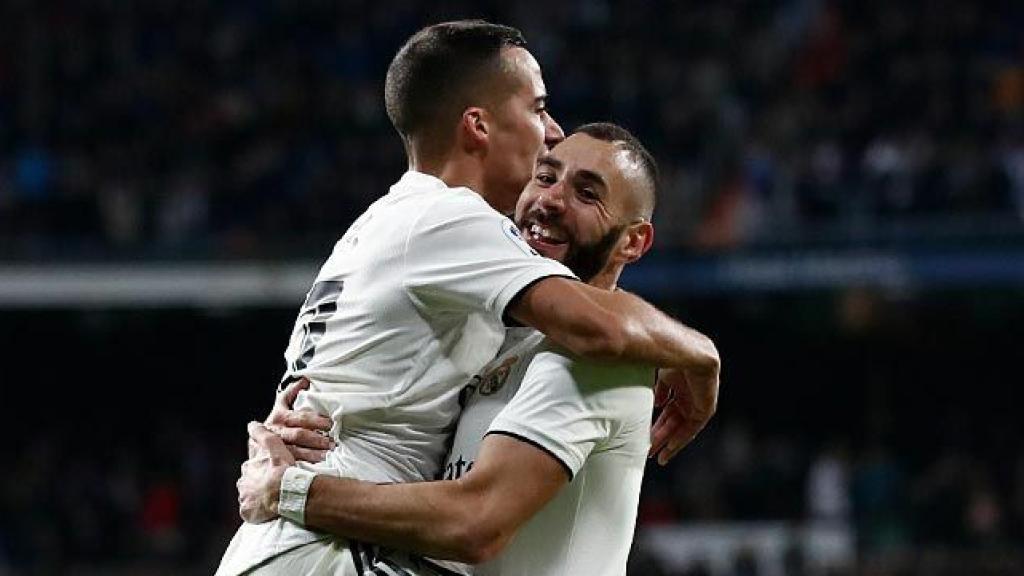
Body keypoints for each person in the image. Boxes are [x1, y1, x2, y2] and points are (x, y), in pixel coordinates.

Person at [216, 20, 719, 576]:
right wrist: (698, 354)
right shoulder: (451, 221)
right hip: (326, 553)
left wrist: (285, 484)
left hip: (313, 542)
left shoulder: (407, 235)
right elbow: (602, 326)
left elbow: (475, 519)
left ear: (635, 239)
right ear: (478, 126)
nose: (549, 131)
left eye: (586, 193)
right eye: (537, 110)